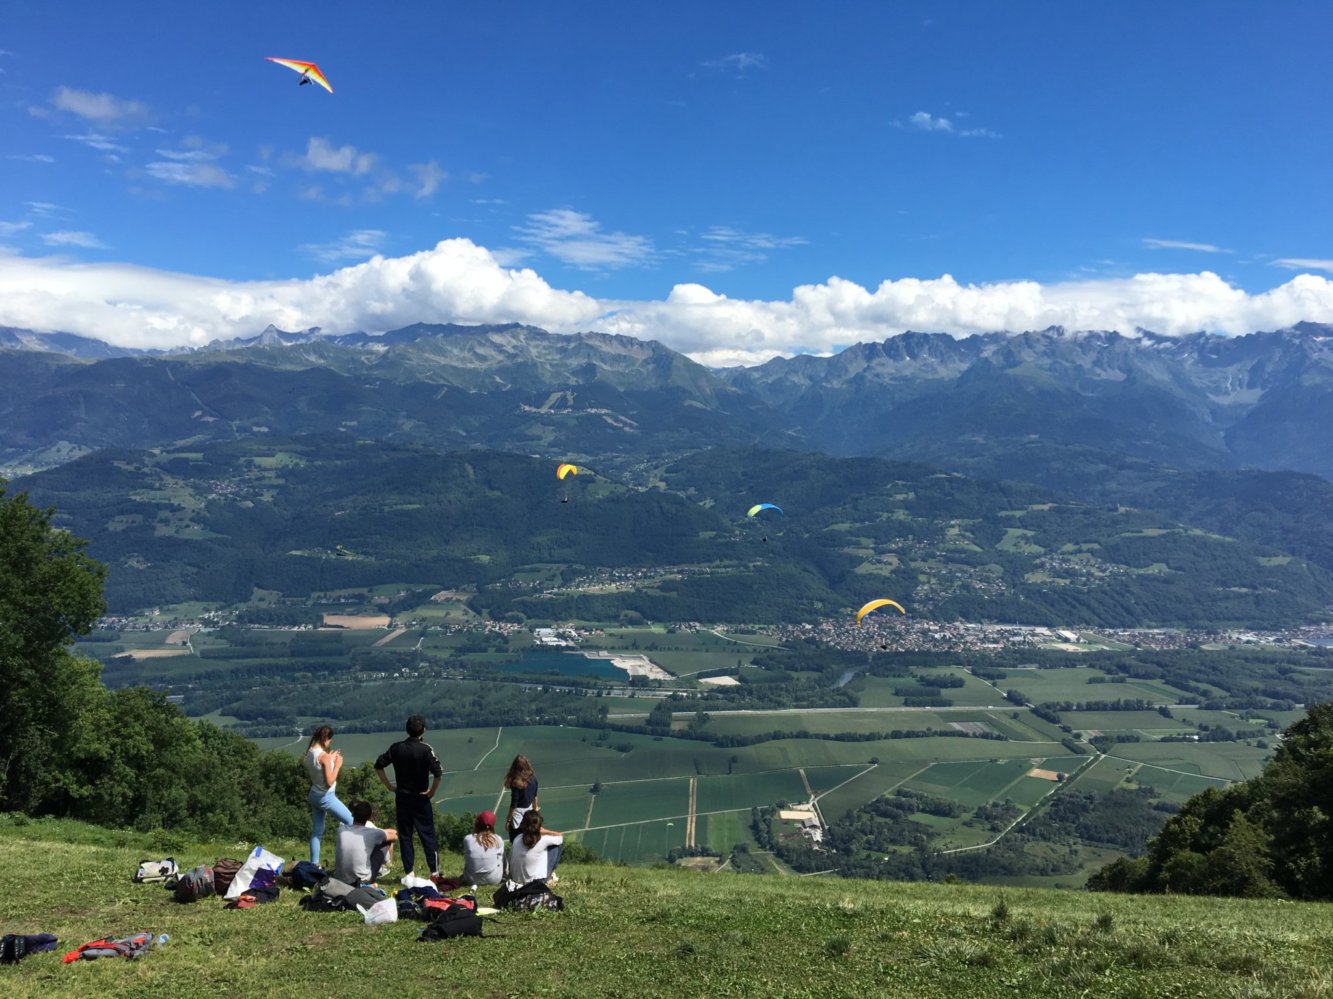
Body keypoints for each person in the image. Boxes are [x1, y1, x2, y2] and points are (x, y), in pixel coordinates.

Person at [374, 714, 443, 879]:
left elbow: (378, 765)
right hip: (421, 798)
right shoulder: (426, 749)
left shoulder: (396, 748)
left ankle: (409, 872)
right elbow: (438, 773)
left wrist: (389, 786)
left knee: (405, 835)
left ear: (406, 730)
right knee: (427, 834)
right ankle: (434, 872)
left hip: (402, 797)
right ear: (423, 730)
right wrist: (432, 791)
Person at [304, 725, 352, 866]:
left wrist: (330, 758)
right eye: (330, 740)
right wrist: (337, 764)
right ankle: (349, 860)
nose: (330, 743)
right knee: (352, 822)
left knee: (317, 832)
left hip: (314, 794)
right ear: (325, 739)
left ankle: (314, 865)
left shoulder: (310, 753)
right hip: (326, 797)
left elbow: (318, 766)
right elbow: (330, 781)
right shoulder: (323, 757)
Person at [434, 810, 506, 892]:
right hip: (494, 880)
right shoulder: (498, 840)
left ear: (477, 824)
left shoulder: (468, 839)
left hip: (471, 880)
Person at [334, 801, 398, 887]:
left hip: (339, 879)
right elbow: (395, 836)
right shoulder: (373, 833)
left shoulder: (341, 830)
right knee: (385, 842)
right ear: (369, 818)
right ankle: (384, 868)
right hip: (362, 881)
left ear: (352, 815)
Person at [508, 810, 562, 885]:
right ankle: (549, 877)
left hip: (515, 879)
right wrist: (545, 831)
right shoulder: (543, 840)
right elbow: (560, 837)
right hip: (534, 882)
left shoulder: (517, 839)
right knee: (556, 847)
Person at [503, 754, 539, 843]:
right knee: (529, 837)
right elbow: (535, 797)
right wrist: (535, 811)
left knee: (516, 840)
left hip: (518, 814)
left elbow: (514, 804)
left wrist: (508, 820)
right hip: (530, 811)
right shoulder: (533, 779)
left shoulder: (516, 783)